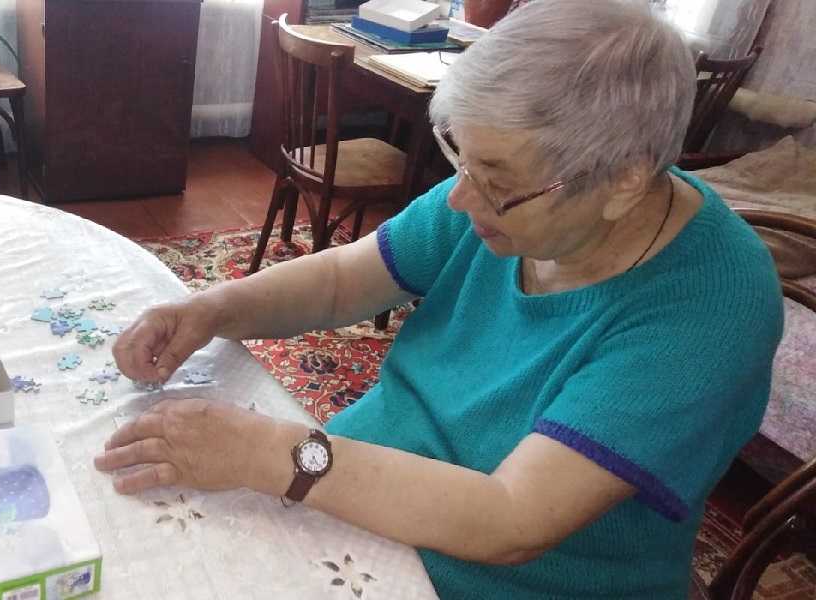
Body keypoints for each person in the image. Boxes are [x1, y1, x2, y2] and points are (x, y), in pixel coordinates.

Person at [93, 0, 784, 597]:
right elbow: (342, 280)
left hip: (499, 579)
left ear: (625, 182)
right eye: (460, 160)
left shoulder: (708, 310)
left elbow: (513, 520)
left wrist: (272, 455)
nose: (459, 198)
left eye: (494, 180)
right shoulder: (505, 195)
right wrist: (211, 309)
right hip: (357, 495)